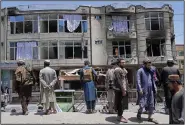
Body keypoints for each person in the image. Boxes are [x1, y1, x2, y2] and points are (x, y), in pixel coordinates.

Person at [136, 59, 158, 123]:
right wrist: (139, 89)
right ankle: (139, 113)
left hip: (151, 89)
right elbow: (138, 80)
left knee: (151, 104)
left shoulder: (151, 70)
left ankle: (150, 117)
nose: (150, 66)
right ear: (144, 65)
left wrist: (155, 88)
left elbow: (153, 80)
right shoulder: (140, 71)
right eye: (148, 65)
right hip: (143, 90)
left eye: (150, 65)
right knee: (142, 103)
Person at [113, 58, 128, 123]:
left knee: (123, 103)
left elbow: (125, 80)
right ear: (119, 63)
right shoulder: (117, 70)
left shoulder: (123, 69)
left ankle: (120, 115)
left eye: (124, 62)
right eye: (122, 62)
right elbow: (119, 81)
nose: (124, 63)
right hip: (119, 89)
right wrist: (123, 90)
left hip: (123, 88)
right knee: (120, 103)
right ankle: (119, 116)